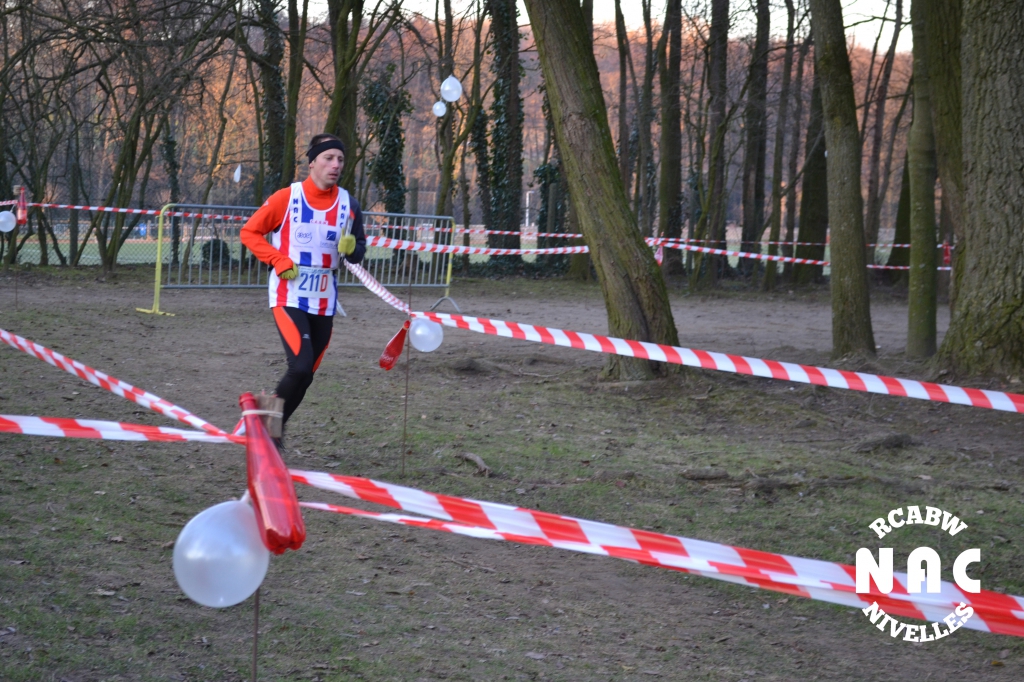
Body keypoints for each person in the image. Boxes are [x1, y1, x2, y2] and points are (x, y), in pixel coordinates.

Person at [241, 133, 366, 438]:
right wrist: (277, 259)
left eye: (340, 159)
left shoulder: (349, 204)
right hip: (289, 295)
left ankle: (270, 430)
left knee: (306, 375)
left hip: (324, 299)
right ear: (312, 162)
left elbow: (359, 250)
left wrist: (352, 249)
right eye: (328, 158)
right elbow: (249, 232)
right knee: (299, 366)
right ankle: (266, 433)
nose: (335, 165)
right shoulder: (287, 198)